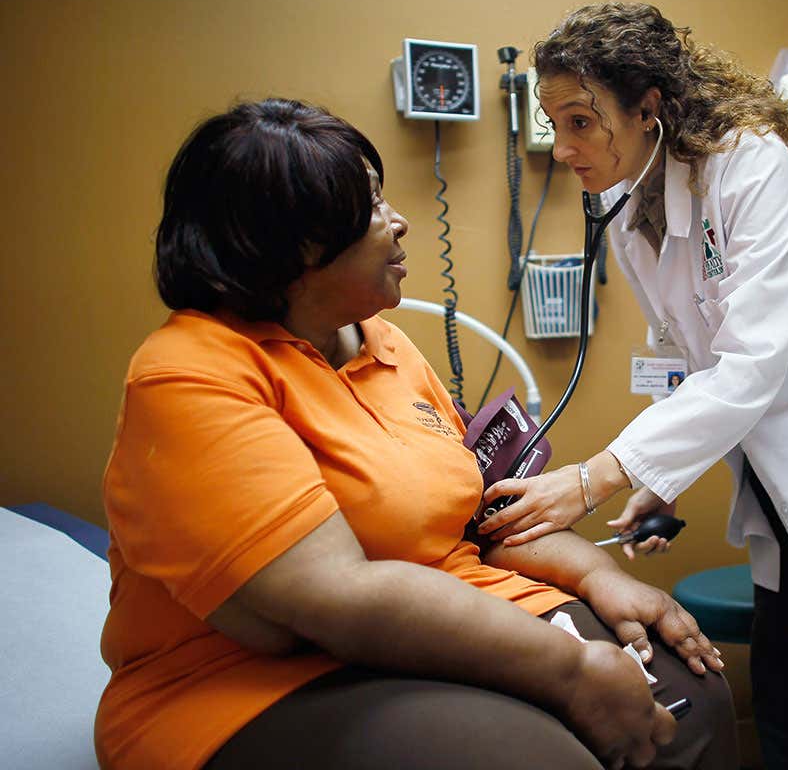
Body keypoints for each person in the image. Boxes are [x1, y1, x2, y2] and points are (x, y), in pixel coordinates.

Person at [95, 98, 738, 770]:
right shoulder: (190, 374)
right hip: (250, 684)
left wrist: (602, 578)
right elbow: (330, 601)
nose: (398, 223)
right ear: (298, 243)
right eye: (371, 207)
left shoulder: (386, 344)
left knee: (691, 691)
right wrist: (569, 670)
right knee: (528, 759)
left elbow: (484, 517)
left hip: (454, 614)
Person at [477, 3, 788, 770]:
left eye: (580, 121)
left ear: (649, 110)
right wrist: (659, 479)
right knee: (778, 681)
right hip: (782, 449)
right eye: (553, 123)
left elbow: (750, 361)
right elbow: (681, 347)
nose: (562, 147)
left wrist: (598, 476)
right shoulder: (625, 190)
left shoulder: (752, 158)